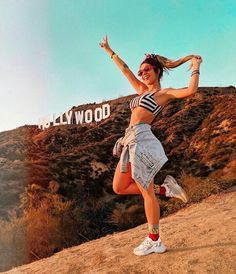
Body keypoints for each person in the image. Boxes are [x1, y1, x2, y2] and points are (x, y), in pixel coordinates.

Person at [99, 35, 202, 256]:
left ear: (157, 71)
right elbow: (125, 70)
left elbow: (190, 91)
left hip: (143, 140)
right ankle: (166, 189)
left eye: (146, 70)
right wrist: (109, 50)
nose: (142, 74)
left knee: (147, 194)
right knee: (119, 187)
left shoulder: (162, 94)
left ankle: (155, 240)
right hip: (128, 141)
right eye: (141, 71)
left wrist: (195, 66)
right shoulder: (140, 90)